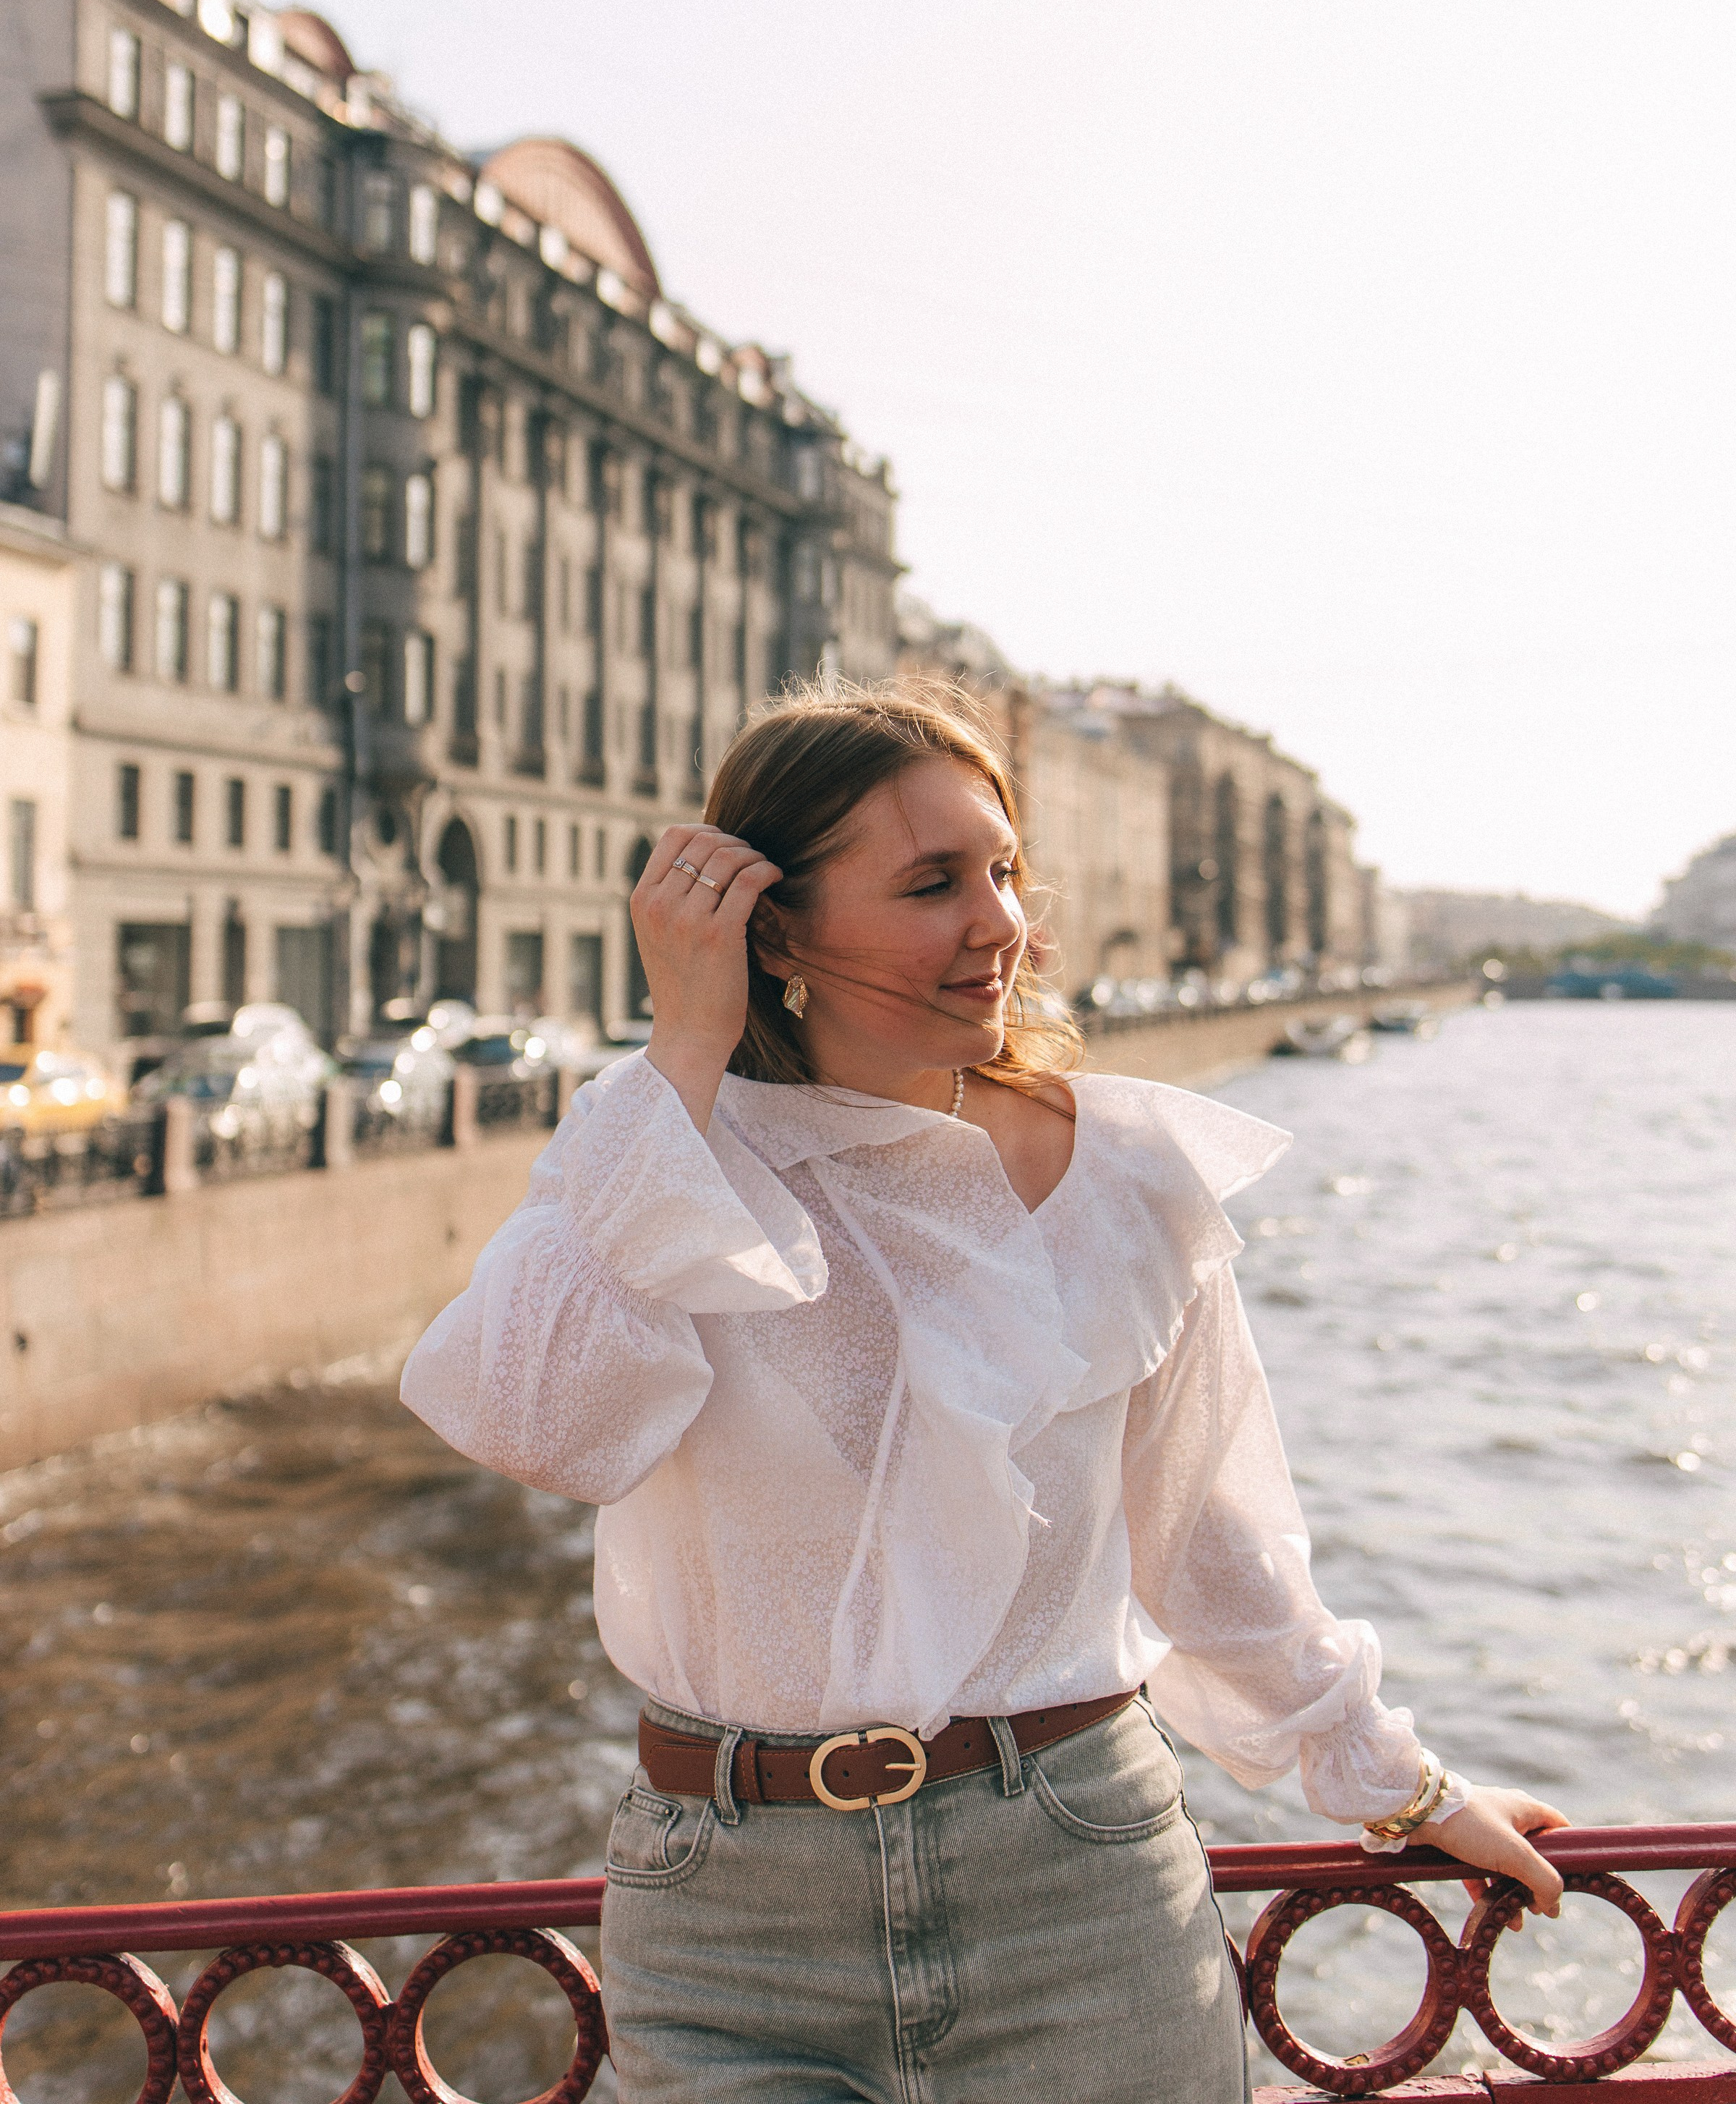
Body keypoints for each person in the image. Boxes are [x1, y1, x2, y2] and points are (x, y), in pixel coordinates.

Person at [401, 680, 1567, 2103]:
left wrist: (1400, 1786)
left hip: (1078, 1890)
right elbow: (534, 1424)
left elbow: (1213, 1544)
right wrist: (682, 1053)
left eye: (1006, 871)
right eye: (934, 882)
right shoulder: (659, 1157)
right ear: (775, 928)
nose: (1002, 923)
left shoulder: (1128, 1178)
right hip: (730, 1931)